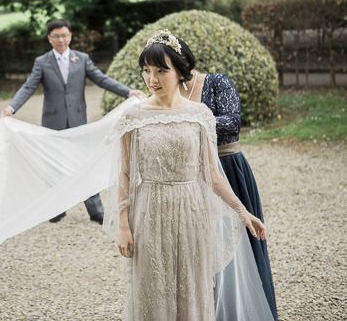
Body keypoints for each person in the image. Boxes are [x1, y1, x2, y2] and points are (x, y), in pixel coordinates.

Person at [110, 30, 268, 320]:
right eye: (146, 70)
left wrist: (243, 212)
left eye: (161, 70)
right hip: (149, 211)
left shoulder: (200, 114)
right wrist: (123, 225)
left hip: (192, 211)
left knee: (192, 290)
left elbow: (212, 173)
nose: (151, 79)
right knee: (152, 289)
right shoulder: (133, 116)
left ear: (180, 71)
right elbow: (125, 173)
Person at [1, 19, 144, 224]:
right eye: (56, 36)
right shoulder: (42, 62)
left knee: (83, 164)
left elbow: (102, 79)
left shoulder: (82, 59)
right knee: (53, 167)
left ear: (70, 36)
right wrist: (11, 107)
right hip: (53, 123)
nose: (61, 39)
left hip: (79, 122)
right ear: (49, 39)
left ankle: (95, 211)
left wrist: (128, 92)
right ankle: (56, 209)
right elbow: (28, 87)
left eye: (65, 35)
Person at [177, 41, 278, 320]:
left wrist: (188, 118)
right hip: (188, 174)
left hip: (227, 167)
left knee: (235, 241)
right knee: (197, 245)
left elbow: (233, 122)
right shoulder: (166, 89)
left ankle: (243, 307)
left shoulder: (216, 82)